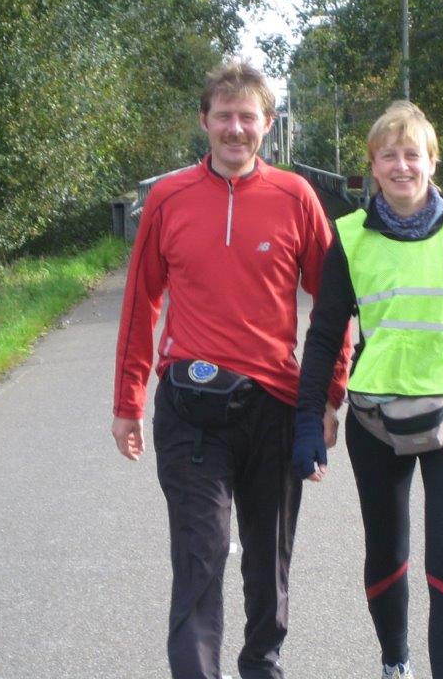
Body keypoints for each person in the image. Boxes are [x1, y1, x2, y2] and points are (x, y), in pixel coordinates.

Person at [112, 59, 351, 679]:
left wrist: (330, 396)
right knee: (201, 555)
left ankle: (262, 665)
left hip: (274, 407)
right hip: (190, 410)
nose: (235, 129)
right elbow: (141, 302)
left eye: (248, 117)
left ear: (268, 124)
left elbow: (332, 307)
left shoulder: (295, 198)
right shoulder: (168, 199)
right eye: (224, 116)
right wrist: (128, 401)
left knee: (268, 563)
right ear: (204, 121)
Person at [292, 100, 443, 679]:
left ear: (432, 162)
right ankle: (395, 663)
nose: (401, 166)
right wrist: (310, 416)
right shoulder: (350, 238)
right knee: (386, 553)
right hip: (374, 422)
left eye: (412, 154)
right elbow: (324, 334)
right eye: (388, 155)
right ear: (372, 166)